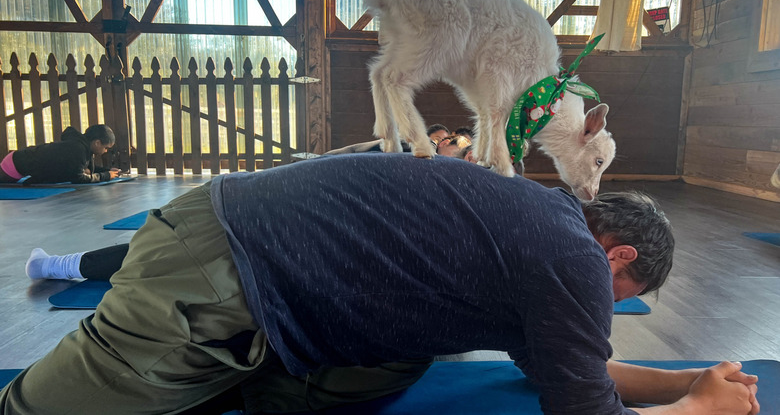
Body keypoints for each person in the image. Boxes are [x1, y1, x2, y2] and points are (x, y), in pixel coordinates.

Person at [2, 154, 759, 415]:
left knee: (402, 356)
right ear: (617, 256)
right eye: (618, 304)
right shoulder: (570, 256)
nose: (605, 315)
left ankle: (232, 387)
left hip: (259, 273)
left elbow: (566, 371)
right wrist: (701, 408)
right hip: (216, 270)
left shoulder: (539, 229)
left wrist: (683, 379)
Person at [0, 124, 121, 184]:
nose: (105, 151)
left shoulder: (82, 146)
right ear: (97, 143)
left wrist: (108, 170)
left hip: (21, 161)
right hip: (15, 165)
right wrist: (105, 176)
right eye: (106, 148)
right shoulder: (78, 149)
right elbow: (78, 178)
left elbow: (82, 168)